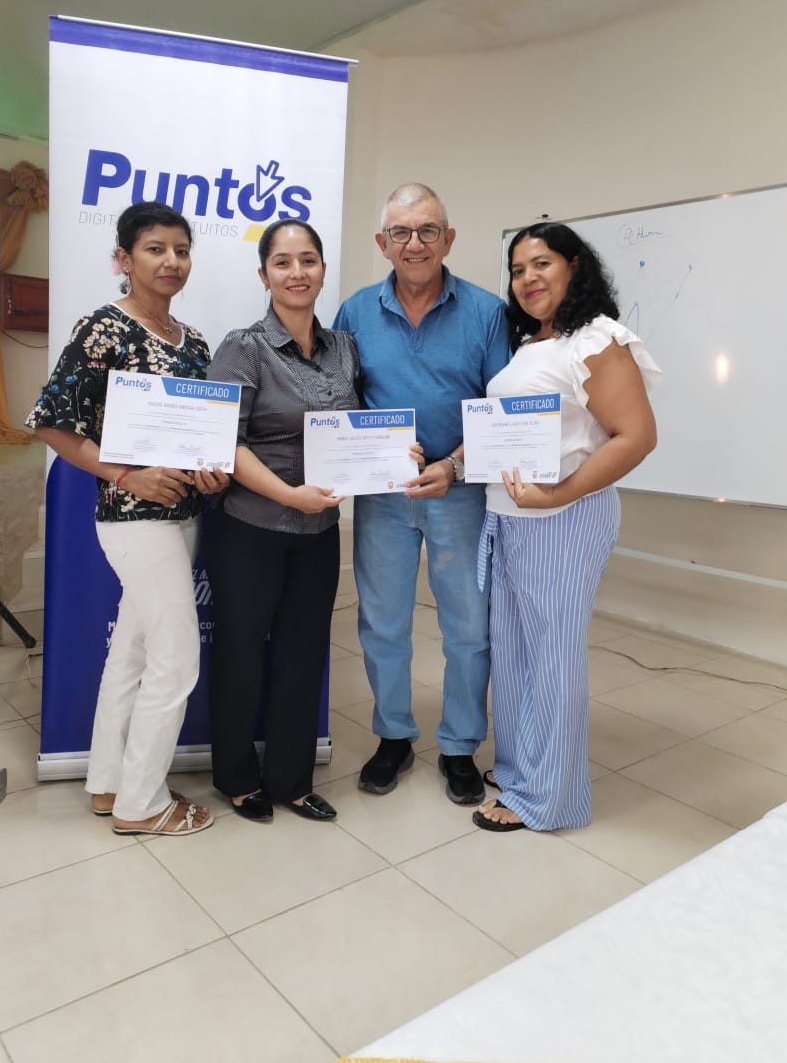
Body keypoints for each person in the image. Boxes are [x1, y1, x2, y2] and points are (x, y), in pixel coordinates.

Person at [27, 201, 228, 836]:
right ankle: (144, 804)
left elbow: (199, 436)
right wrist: (125, 474)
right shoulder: (103, 329)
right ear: (124, 258)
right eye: (155, 249)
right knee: (176, 656)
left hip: (186, 514)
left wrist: (211, 471)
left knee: (133, 652)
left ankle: (108, 782)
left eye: (181, 250)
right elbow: (52, 424)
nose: (172, 261)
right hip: (134, 518)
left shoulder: (194, 342)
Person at [472, 222, 661, 834]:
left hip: (562, 520)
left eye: (542, 264)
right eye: (517, 269)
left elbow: (637, 437)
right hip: (511, 521)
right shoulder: (534, 343)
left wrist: (557, 493)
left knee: (550, 657)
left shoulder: (596, 339)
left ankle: (549, 797)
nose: (527, 279)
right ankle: (521, 769)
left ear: (574, 267)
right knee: (516, 655)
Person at [333, 183, 510, 804]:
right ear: (382, 242)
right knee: (383, 622)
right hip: (384, 495)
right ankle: (394, 736)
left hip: (461, 491)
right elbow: (339, 399)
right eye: (401, 232)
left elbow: (500, 410)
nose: (415, 244)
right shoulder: (354, 312)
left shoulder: (487, 312)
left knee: (469, 626)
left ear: (448, 239)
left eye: (428, 230)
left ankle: (460, 744)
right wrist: (366, 452)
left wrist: (454, 465)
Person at [203, 218, 360, 823]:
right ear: (264, 273)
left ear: (323, 269)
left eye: (308, 260)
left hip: (318, 532)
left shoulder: (344, 347)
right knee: (241, 653)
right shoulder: (243, 347)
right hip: (250, 527)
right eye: (283, 262)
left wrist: (391, 455)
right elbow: (227, 442)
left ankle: (292, 780)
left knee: (304, 653)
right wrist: (291, 495)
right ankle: (237, 778)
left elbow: (354, 427)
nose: (298, 273)